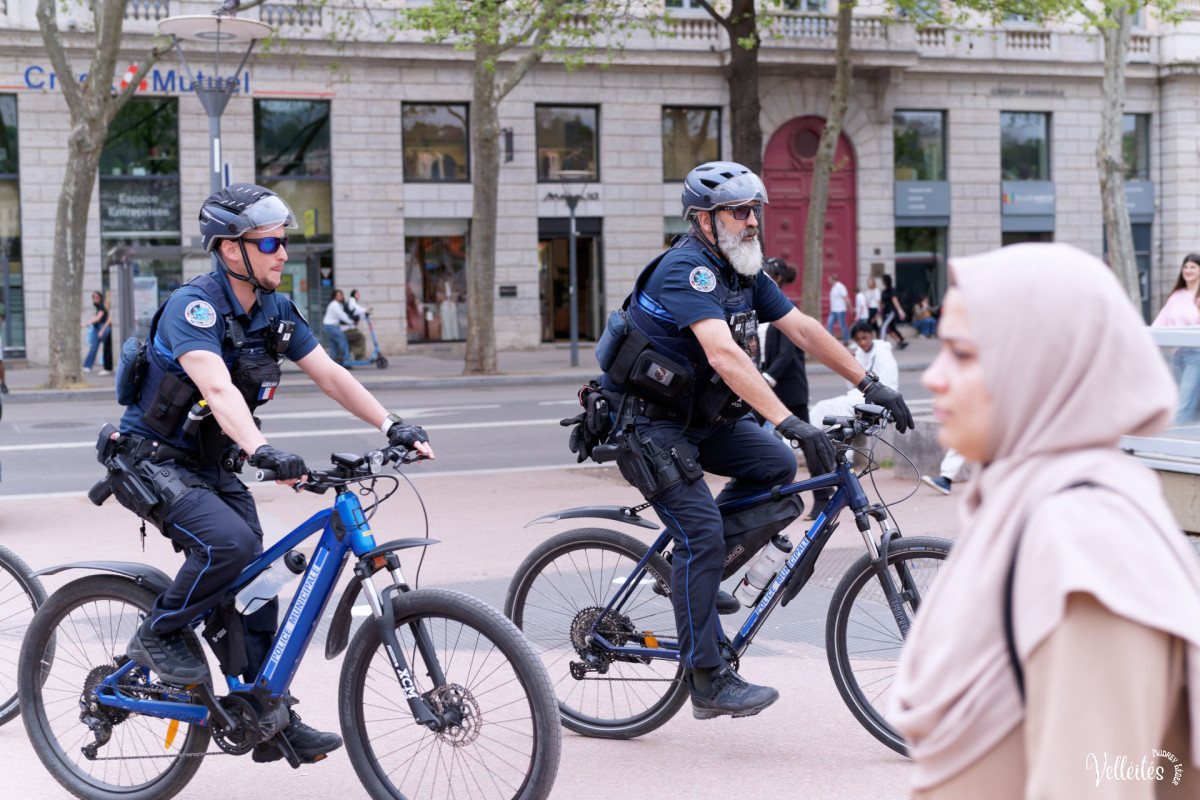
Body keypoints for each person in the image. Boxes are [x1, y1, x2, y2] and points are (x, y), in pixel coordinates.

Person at [113, 183, 434, 764]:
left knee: (258, 577)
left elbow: (330, 372)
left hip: (213, 465)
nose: (283, 252)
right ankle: (157, 635)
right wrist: (262, 448)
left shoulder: (275, 311)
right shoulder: (196, 307)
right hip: (153, 460)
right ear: (232, 250)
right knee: (229, 545)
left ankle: (265, 712)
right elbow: (214, 386)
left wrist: (393, 424)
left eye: (284, 241)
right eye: (270, 243)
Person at [598, 161, 914, 721]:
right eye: (737, 212)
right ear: (703, 220)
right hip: (648, 424)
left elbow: (804, 329)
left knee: (772, 466)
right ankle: (707, 679)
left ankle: (693, 572)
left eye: (755, 211)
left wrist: (870, 382)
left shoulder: (743, 271)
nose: (751, 222)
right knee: (701, 530)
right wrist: (789, 421)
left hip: (701, 420)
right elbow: (722, 354)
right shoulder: (686, 270)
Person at [892, 243, 1200, 798]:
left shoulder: (1086, 541)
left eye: (962, 354)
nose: (934, 377)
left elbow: (1103, 780)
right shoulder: (1026, 507)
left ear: (1040, 367)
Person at [806, 321, 900, 519]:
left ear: (872, 335)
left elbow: (888, 382)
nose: (862, 343)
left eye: (865, 338)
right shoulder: (859, 352)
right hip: (858, 395)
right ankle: (817, 445)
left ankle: (843, 457)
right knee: (823, 406)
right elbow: (851, 382)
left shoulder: (883, 352)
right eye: (858, 339)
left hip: (879, 397)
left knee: (839, 408)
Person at [759, 257, 809, 427]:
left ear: (778, 278)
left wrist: (766, 377)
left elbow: (787, 352)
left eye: (764, 274)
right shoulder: (758, 307)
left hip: (788, 385)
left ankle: (831, 455)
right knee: (751, 429)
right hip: (766, 383)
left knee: (808, 439)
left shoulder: (787, 307)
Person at [1152, 253, 1200, 424]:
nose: (1188, 270)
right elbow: (1161, 322)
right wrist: (1149, 347)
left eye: (1193, 267)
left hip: (1196, 355)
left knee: (1184, 403)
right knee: (1187, 402)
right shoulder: (1176, 296)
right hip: (1177, 355)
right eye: (1185, 267)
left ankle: (1172, 441)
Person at [82, 290, 113, 374]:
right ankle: (87, 365)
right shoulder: (100, 306)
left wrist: (86, 324)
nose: (95, 299)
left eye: (97, 297)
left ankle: (88, 366)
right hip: (101, 328)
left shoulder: (102, 307)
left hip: (101, 328)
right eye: (93, 297)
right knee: (98, 347)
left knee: (97, 347)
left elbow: (99, 318)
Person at [323, 289, 355, 366]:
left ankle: (331, 361)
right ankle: (346, 359)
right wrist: (351, 322)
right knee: (342, 338)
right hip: (330, 326)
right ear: (334, 297)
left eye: (341, 295)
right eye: (338, 295)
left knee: (334, 343)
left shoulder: (338, 304)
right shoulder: (334, 304)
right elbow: (341, 315)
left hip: (332, 326)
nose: (340, 297)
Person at [877, 274, 908, 350]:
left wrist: (900, 311)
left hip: (891, 312)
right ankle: (902, 341)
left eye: (882, 280)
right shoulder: (884, 291)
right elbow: (882, 303)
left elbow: (895, 301)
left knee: (883, 327)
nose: (881, 281)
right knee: (892, 328)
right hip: (885, 311)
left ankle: (882, 343)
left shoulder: (891, 290)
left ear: (886, 281)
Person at [344, 288, 370, 361]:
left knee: (360, 338)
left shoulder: (353, 302)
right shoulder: (351, 300)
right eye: (357, 294)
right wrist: (365, 311)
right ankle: (359, 355)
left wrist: (364, 314)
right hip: (349, 328)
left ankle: (359, 355)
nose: (359, 295)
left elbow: (356, 313)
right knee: (361, 338)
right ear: (354, 294)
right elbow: (356, 309)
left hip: (351, 327)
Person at [826, 273, 850, 343]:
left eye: (829, 280)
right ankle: (830, 341)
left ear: (834, 280)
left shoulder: (840, 287)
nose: (828, 281)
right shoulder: (833, 287)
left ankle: (846, 340)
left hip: (840, 310)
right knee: (829, 324)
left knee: (842, 326)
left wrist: (849, 307)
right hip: (833, 310)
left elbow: (846, 297)